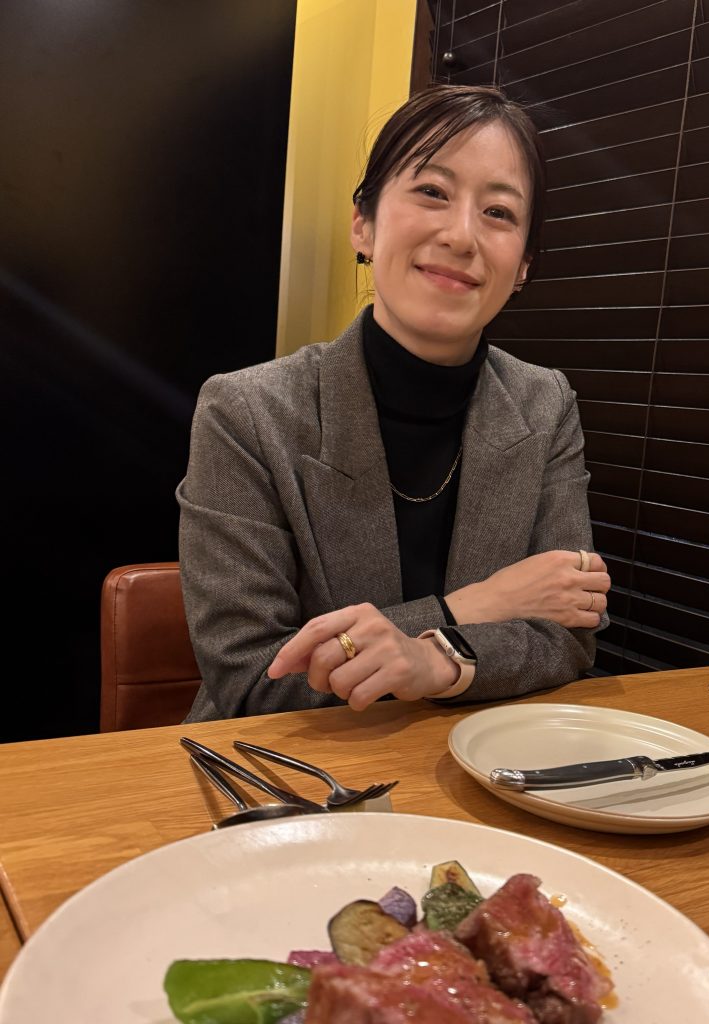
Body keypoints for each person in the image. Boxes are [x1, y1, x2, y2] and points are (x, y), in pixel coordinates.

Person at [177, 85, 611, 720]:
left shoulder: (545, 404)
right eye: (432, 192)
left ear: (523, 265)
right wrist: (470, 610)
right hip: (282, 764)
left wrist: (439, 661)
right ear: (364, 224)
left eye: (498, 212)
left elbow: (568, 636)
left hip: (477, 757)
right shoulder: (246, 412)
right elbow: (251, 679)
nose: (461, 235)